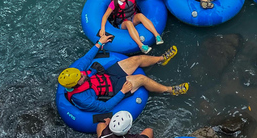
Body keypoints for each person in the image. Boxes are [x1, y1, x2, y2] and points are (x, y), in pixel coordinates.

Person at [58, 35, 189, 113]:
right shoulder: (81, 99)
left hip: (106, 76)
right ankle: (170, 90)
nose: (82, 74)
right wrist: (122, 91)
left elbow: (86, 59)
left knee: (137, 59)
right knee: (142, 79)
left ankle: (162, 59)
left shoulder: (76, 74)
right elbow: (104, 108)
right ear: (76, 84)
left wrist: (99, 42)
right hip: (113, 89)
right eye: (81, 77)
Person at [100, 0, 171, 54]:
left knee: (140, 15)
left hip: (133, 17)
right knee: (129, 23)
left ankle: (157, 36)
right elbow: (105, 16)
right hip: (122, 23)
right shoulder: (114, 3)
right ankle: (141, 46)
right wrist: (102, 28)